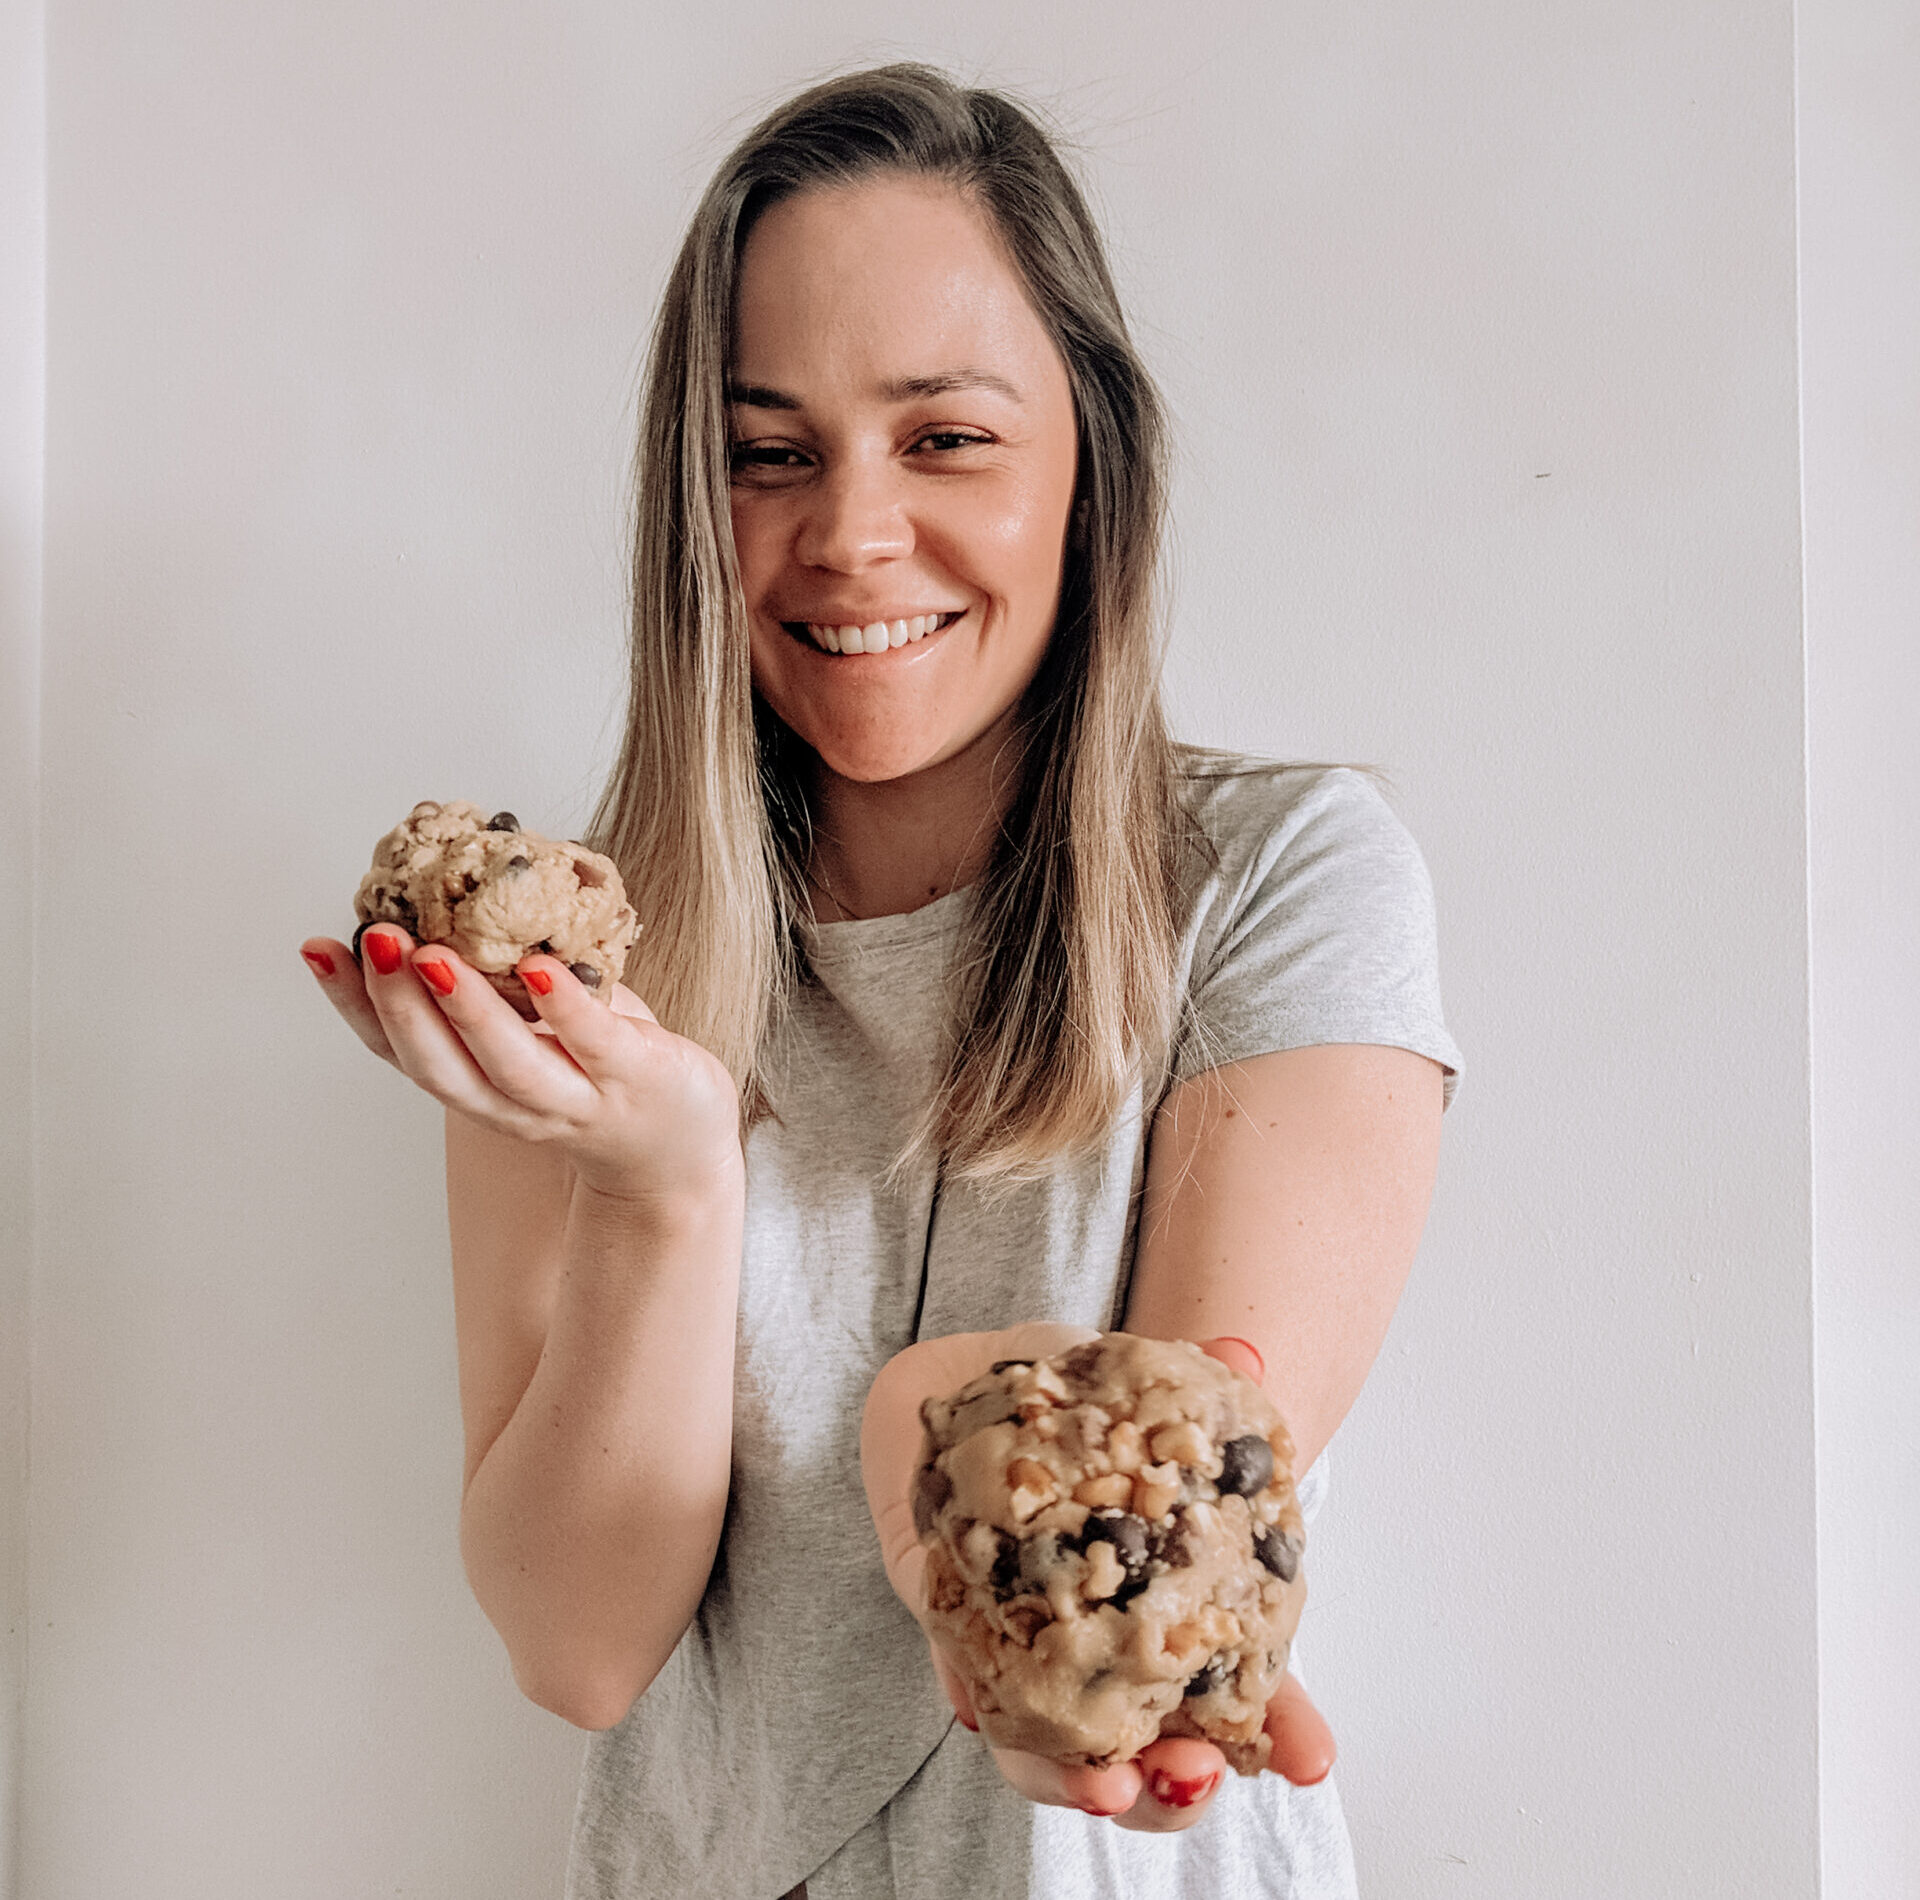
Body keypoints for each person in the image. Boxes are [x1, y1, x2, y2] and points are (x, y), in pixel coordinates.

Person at [302, 64, 1460, 1900]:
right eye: (771, 452)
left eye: (943, 439)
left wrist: (958, 1511)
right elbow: (576, 1642)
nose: (847, 533)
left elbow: (1176, 1451)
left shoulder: (1279, 876)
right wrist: (664, 1181)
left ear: (1092, 450)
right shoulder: (582, 957)